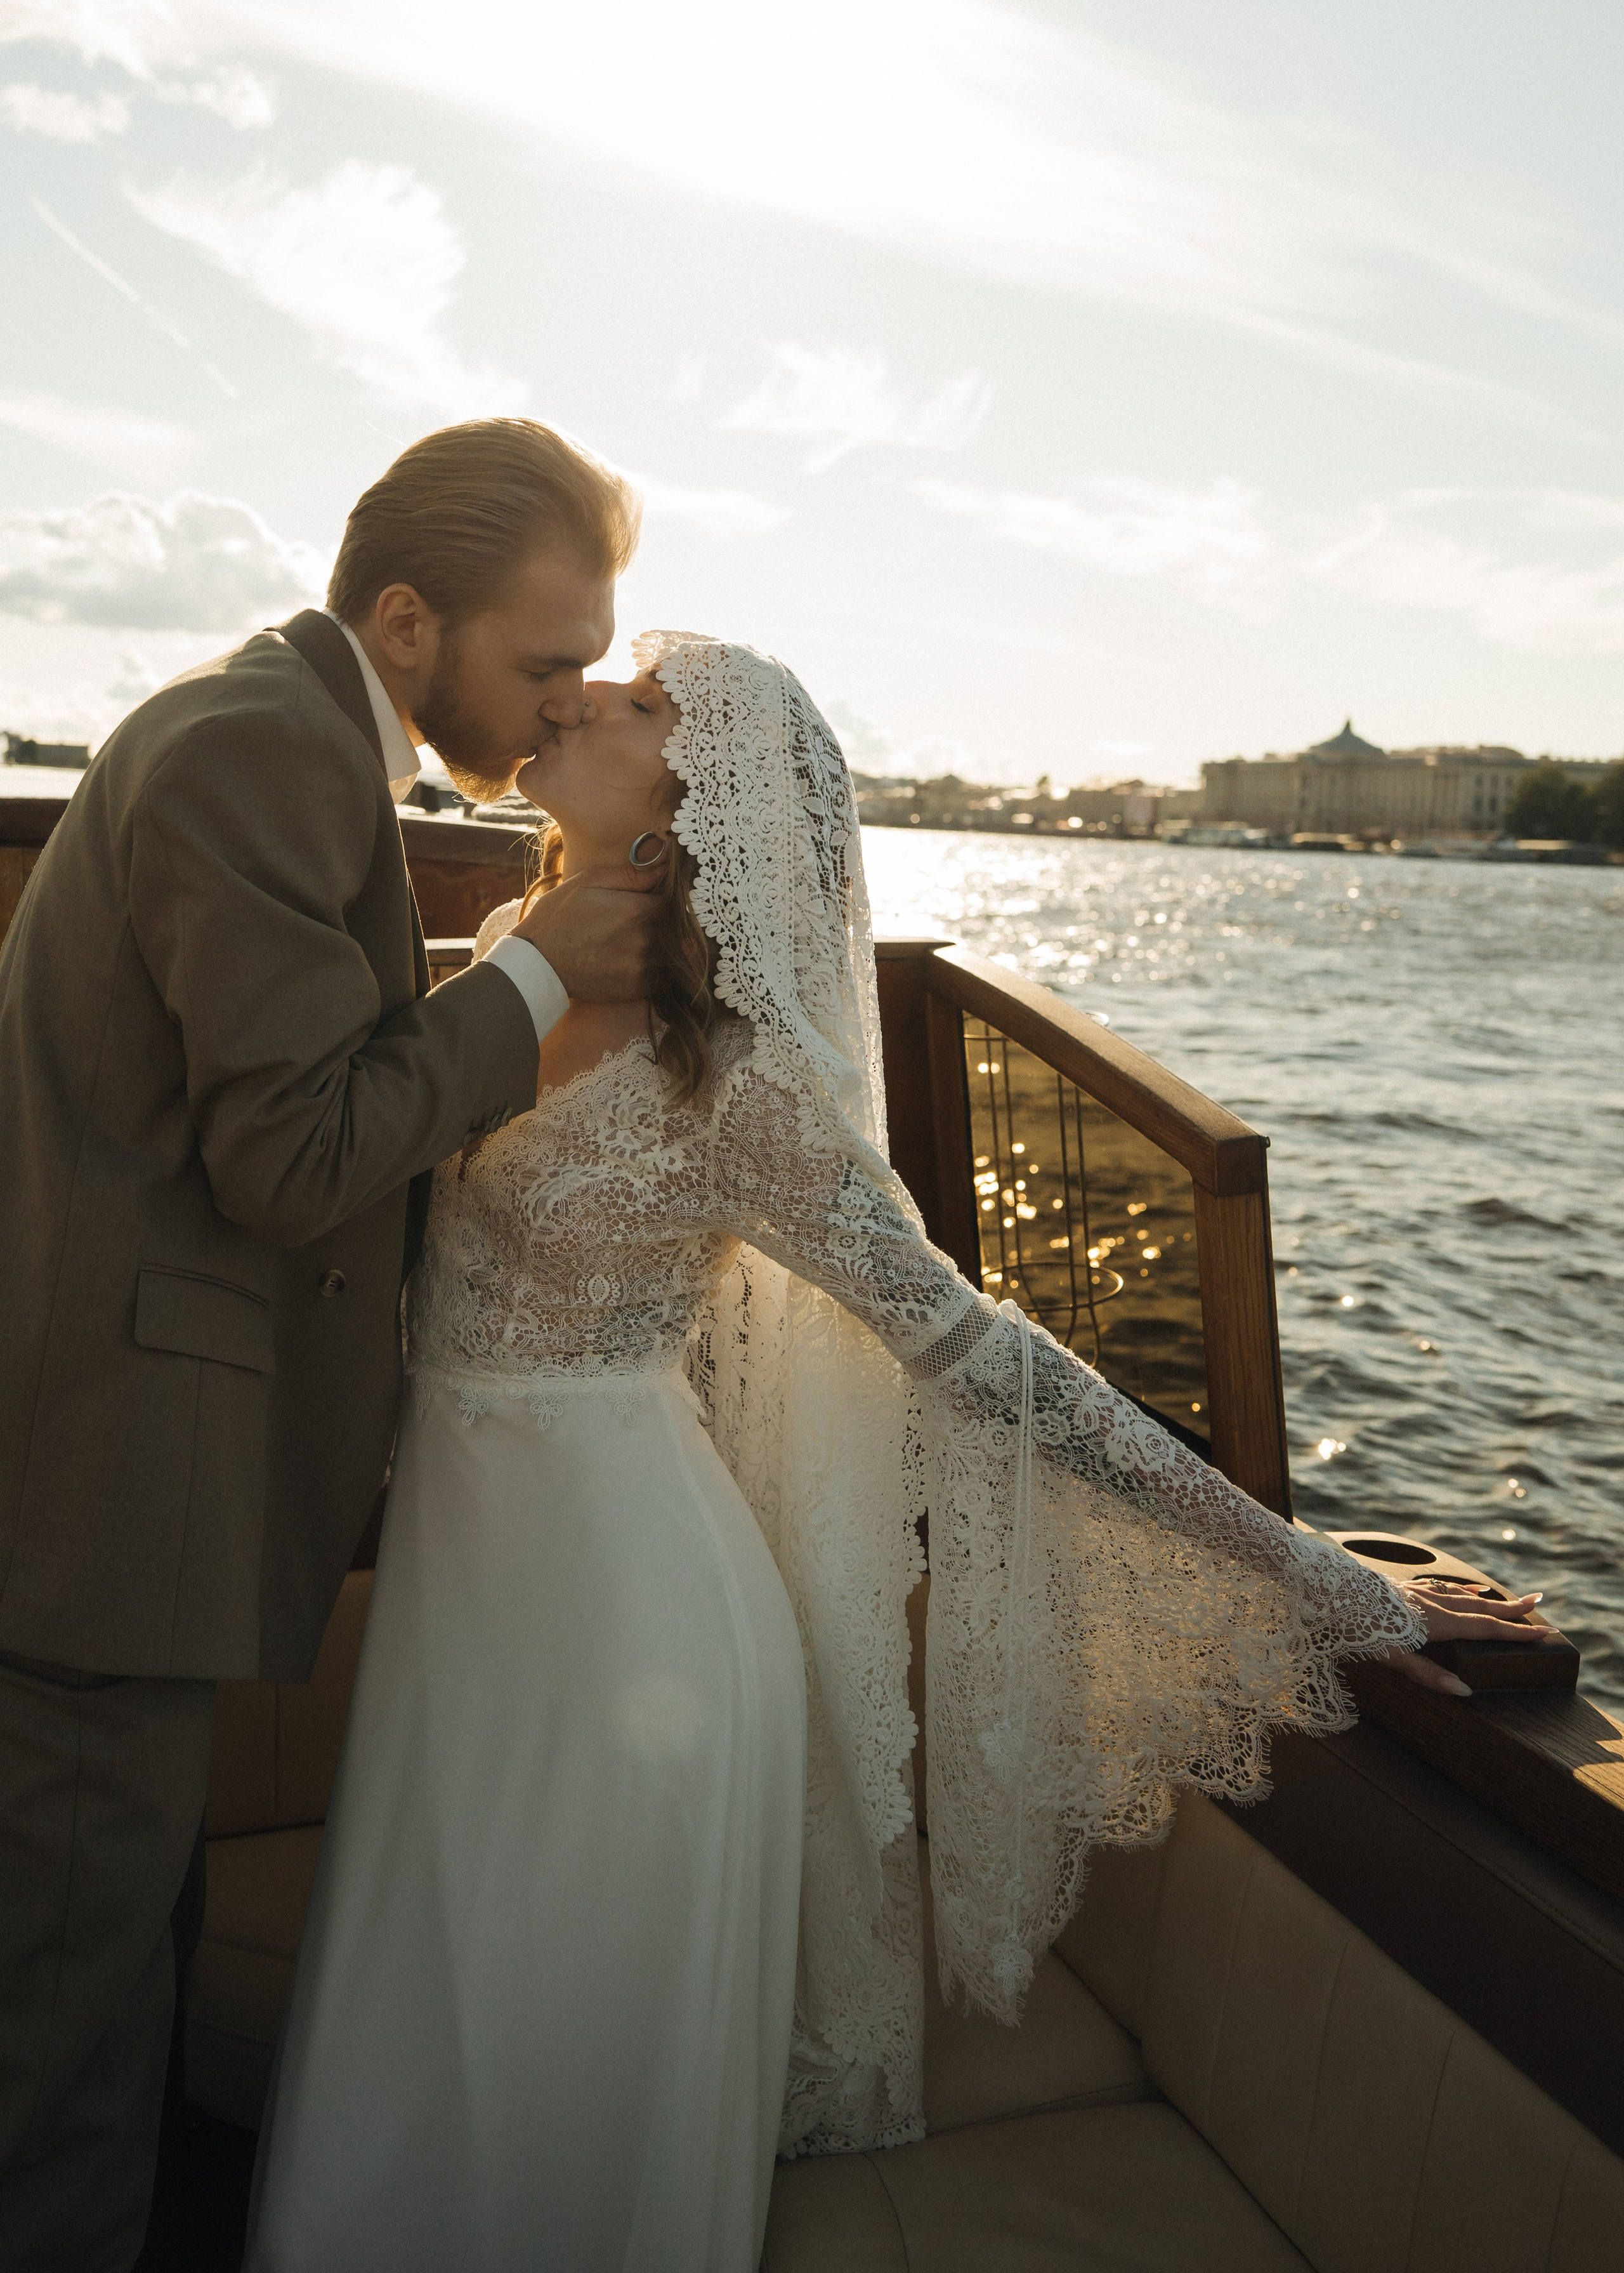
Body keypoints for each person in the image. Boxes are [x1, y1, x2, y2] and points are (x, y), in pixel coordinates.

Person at [244, 633, 1549, 2272]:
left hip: (622, 1618)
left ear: (695, 810)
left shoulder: (742, 1085)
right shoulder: (510, 944)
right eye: (594, 680)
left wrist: (1323, 1577)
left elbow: (981, 1356)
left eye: (639, 703)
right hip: (470, 1575)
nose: (575, 696)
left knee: (543, 2060)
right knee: (423, 1993)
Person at [0, 419, 669, 2273]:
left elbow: (291, 1051)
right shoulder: (259, 755)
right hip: (98, 1513)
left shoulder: (281, 734)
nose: (558, 710)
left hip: (120, 1494)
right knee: (57, 2059)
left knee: (102, 1983)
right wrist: (543, 980)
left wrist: (511, 969)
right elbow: (291, 1153)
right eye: (542, 664)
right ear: (400, 622)